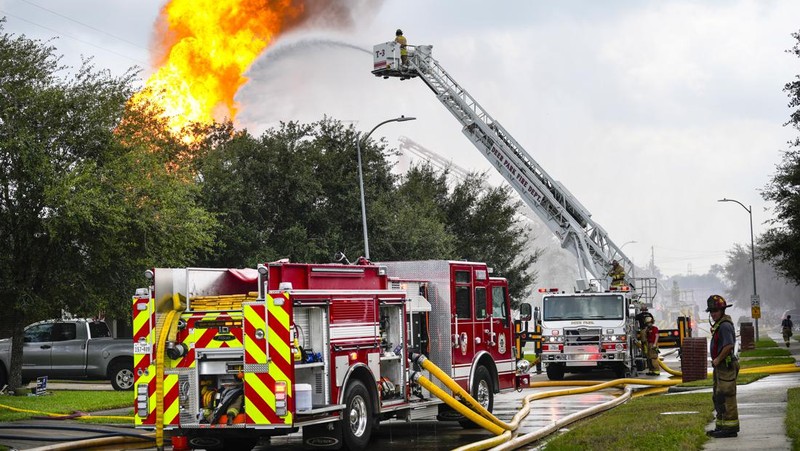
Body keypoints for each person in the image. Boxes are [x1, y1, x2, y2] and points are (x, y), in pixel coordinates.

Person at [706, 294, 739, 438]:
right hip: (720, 367)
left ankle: (730, 428)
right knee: (719, 396)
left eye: (716, 311)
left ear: (722, 311)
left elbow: (728, 345)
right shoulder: (720, 324)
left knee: (727, 396)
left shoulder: (725, 326)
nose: (713, 314)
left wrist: (718, 359)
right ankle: (721, 426)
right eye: (711, 312)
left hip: (725, 366)